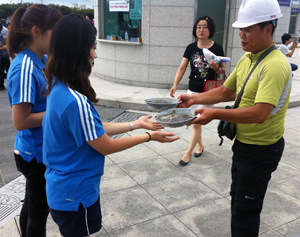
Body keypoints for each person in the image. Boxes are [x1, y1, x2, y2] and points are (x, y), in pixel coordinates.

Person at [43, 14, 179, 237]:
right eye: (93, 47)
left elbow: (93, 129)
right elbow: (104, 145)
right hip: (76, 195)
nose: (95, 55)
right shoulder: (74, 101)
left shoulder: (59, 87)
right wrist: (148, 137)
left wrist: (134, 124)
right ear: (78, 49)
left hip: (63, 190)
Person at [178, 0, 291, 236]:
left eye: (248, 29)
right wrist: (194, 100)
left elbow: (260, 113)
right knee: (239, 201)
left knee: (245, 210)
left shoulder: (274, 64)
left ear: (268, 29)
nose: (241, 35)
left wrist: (214, 113)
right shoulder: (248, 58)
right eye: (240, 29)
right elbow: (225, 91)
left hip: (261, 150)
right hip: (244, 145)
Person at [6, 4, 62, 237]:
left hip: (40, 150)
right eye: (54, 32)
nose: (58, 38)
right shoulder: (25, 68)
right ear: (37, 31)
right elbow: (20, 121)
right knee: (39, 214)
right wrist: (59, 113)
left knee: (31, 206)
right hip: (35, 154)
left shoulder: (42, 58)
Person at [170, 16, 226, 165]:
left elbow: (223, 70)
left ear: (211, 29)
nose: (201, 30)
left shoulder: (217, 48)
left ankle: (188, 152)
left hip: (209, 92)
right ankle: (200, 145)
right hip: (193, 90)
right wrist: (175, 84)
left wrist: (216, 68)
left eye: (205, 26)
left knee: (196, 123)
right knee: (194, 121)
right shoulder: (191, 47)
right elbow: (182, 67)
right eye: (198, 27)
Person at [0, 22, 9, 90]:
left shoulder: (5, 33)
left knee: (6, 69)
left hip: (4, 55)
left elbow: (8, 44)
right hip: (2, 55)